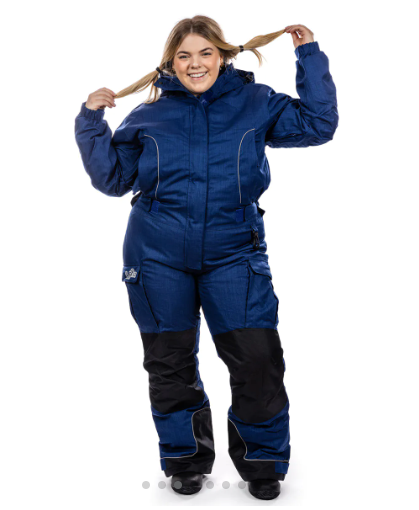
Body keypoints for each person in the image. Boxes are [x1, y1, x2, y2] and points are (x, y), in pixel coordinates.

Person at [74, 15, 338, 500]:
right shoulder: (150, 115)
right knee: (169, 363)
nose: (195, 64)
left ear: (223, 56)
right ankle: (185, 460)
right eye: (184, 56)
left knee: (257, 359)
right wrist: (91, 120)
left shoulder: (256, 103)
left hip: (234, 253)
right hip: (156, 256)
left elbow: (318, 125)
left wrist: (309, 55)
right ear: (171, 63)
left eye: (205, 53)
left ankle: (263, 462)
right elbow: (112, 179)